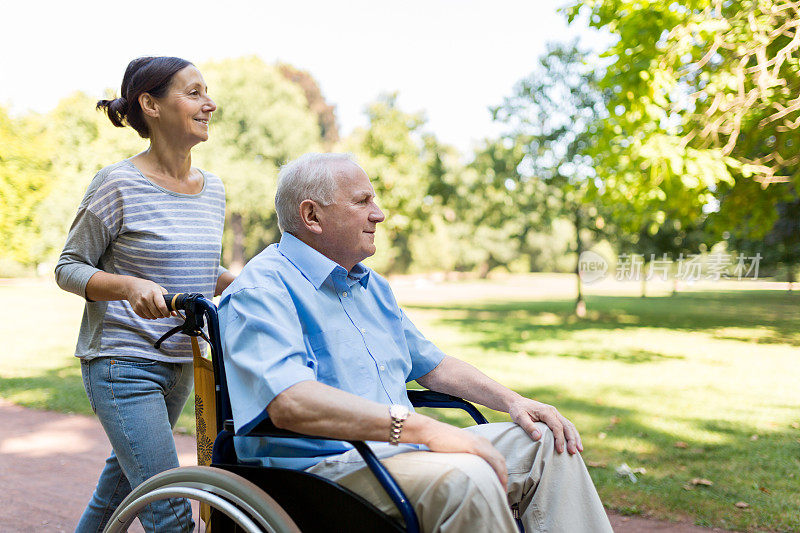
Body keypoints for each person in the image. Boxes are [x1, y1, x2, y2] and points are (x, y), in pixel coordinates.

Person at [218, 153, 613, 532]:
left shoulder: (370, 286)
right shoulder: (264, 288)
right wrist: (423, 429)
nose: (379, 213)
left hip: (400, 452)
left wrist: (515, 402)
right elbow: (290, 402)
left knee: (550, 443)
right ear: (312, 216)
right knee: (469, 476)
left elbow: (435, 366)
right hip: (323, 471)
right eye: (362, 201)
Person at [55, 56, 235, 533]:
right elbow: (68, 269)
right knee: (171, 512)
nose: (209, 104)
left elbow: (193, 265)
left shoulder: (212, 189)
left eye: (206, 93)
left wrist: (239, 282)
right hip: (122, 364)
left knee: (117, 494)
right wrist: (128, 286)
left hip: (182, 362)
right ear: (150, 104)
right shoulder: (116, 183)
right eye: (193, 93)